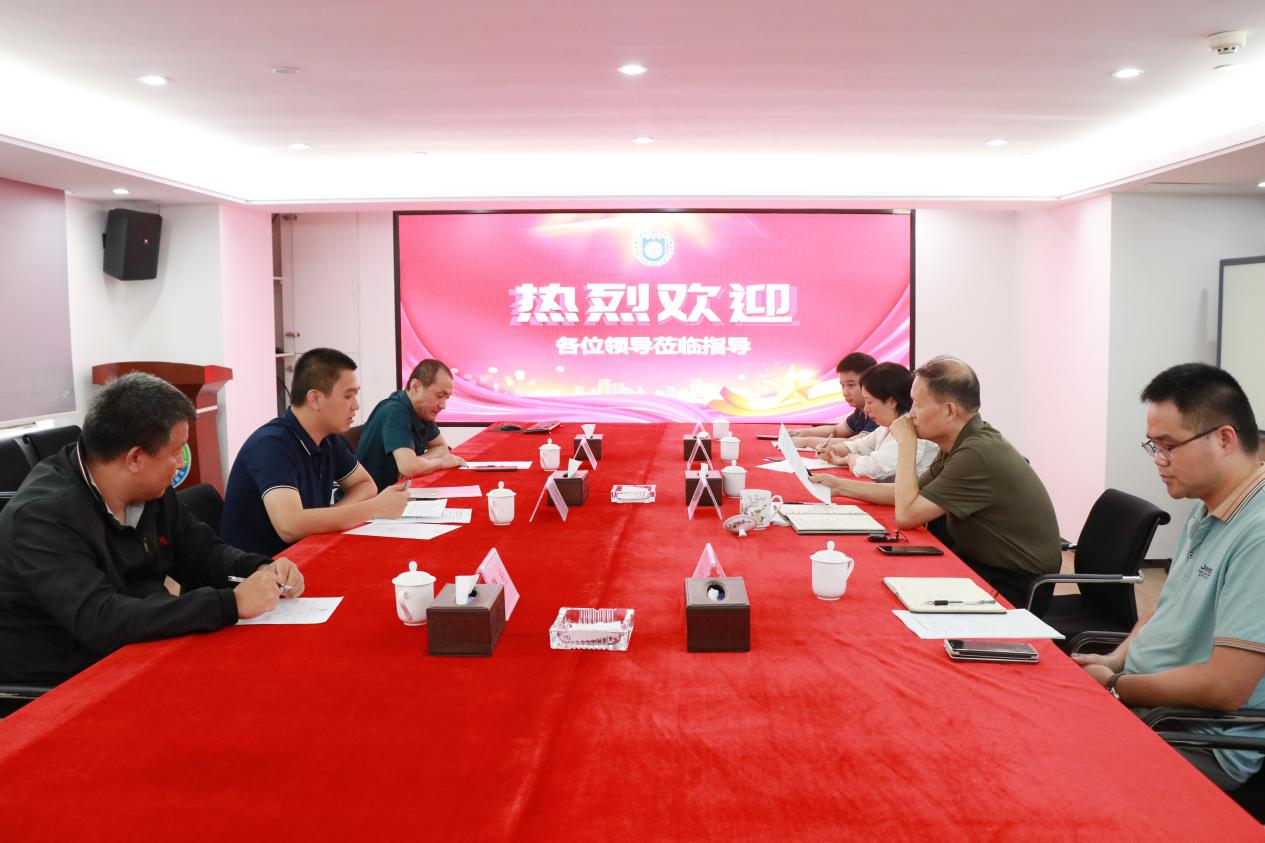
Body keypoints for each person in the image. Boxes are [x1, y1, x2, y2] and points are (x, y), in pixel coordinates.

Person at [0, 373, 304, 688]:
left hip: (141, 647)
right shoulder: (42, 516)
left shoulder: (150, 490)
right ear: (135, 458)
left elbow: (202, 553)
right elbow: (101, 619)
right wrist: (230, 604)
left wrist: (260, 569)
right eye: (175, 452)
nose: (180, 463)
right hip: (66, 682)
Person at [1074, 363, 1265, 792]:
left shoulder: (1258, 534)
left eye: (1169, 446)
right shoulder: (1206, 506)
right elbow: (1167, 607)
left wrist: (1118, 686)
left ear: (1225, 439)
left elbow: (1225, 687)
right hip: (1150, 704)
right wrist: (1114, 660)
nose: (1159, 461)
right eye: (1153, 446)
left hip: (1194, 737)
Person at [812, 356, 1060, 605]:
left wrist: (907, 443)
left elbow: (907, 515)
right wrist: (839, 486)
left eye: (918, 405)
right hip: (980, 565)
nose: (911, 414)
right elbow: (909, 494)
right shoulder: (959, 442)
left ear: (949, 411)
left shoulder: (976, 453)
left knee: (880, 597)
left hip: (1013, 585)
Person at [222, 348, 408, 557]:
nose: (355, 406)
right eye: (348, 396)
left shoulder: (328, 438)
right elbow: (289, 525)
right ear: (315, 399)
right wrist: (375, 508)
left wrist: (329, 517)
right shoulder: (271, 444)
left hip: (304, 553)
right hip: (262, 568)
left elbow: (365, 484)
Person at [356, 358, 465, 491]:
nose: (443, 405)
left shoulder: (423, 411)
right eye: (439, 395)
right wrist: (442, 462)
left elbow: (441, 447)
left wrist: (420, 461)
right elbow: (409, 468)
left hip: (396, 492)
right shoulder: (395, 411)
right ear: (415, 387)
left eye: (446, 398)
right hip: (370, 498)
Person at [817, 362, 938, 480]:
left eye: (869, 402)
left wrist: (848, 458)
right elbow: (860, 445)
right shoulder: (888, 425)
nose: (866, 408)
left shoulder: (913, 430)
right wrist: (833, 450)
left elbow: (874, 468)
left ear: (892, 401)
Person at [789, 352, 878, 447]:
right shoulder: (860, 411)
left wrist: (806, 442)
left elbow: (855, 444)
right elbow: (836, 431)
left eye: (850, 385)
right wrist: (798, 433)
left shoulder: (880, 411)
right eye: (842, 385)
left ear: (870, 383)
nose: (845, 392)